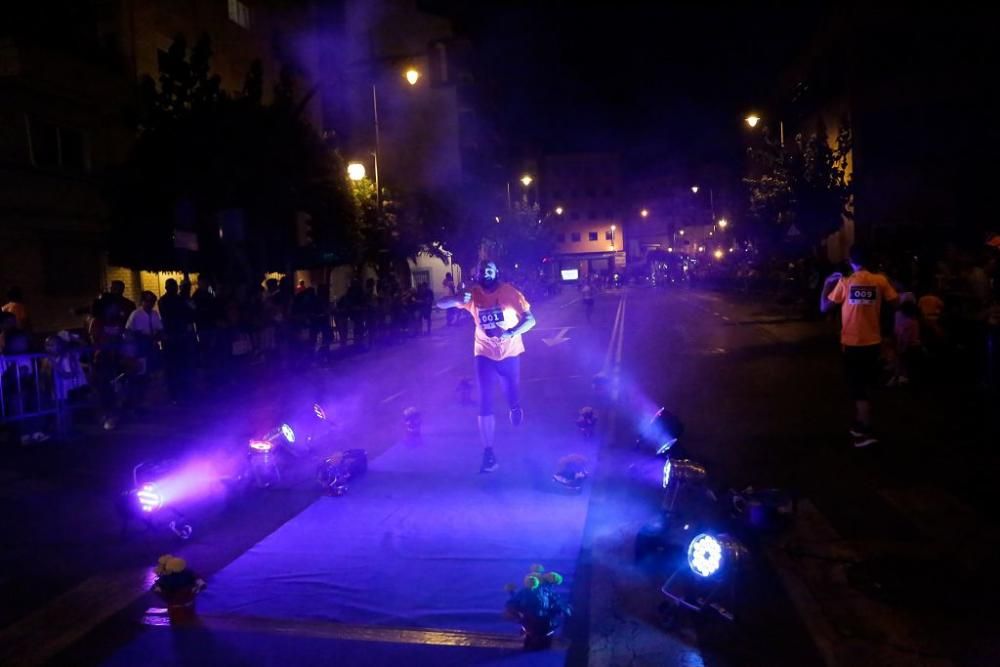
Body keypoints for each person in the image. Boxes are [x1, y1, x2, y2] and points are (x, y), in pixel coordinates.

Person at [436, 260, 536, 473]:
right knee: (485, 402)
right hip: (484, 355)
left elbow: (530, 320)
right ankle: (489, 453)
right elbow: (440, 304)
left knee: (512, 395)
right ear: (477, 273)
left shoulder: (510, 292)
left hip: (509, 354)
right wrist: (455, 298)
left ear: (496, 271)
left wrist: (510, 332)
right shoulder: (472, 294)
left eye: (490, 269)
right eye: (482, 270)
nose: (486, 273)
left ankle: (515, 406)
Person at [820, 245, 899, 448]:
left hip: (853, 343)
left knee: (858, 387)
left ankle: (866, 431)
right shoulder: (880, 280)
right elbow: (895, 301)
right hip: (873, 341)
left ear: (851, 261)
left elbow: (824, 307)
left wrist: (827, 284)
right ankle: (860, 423)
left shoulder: (846, 282)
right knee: (865, 383)